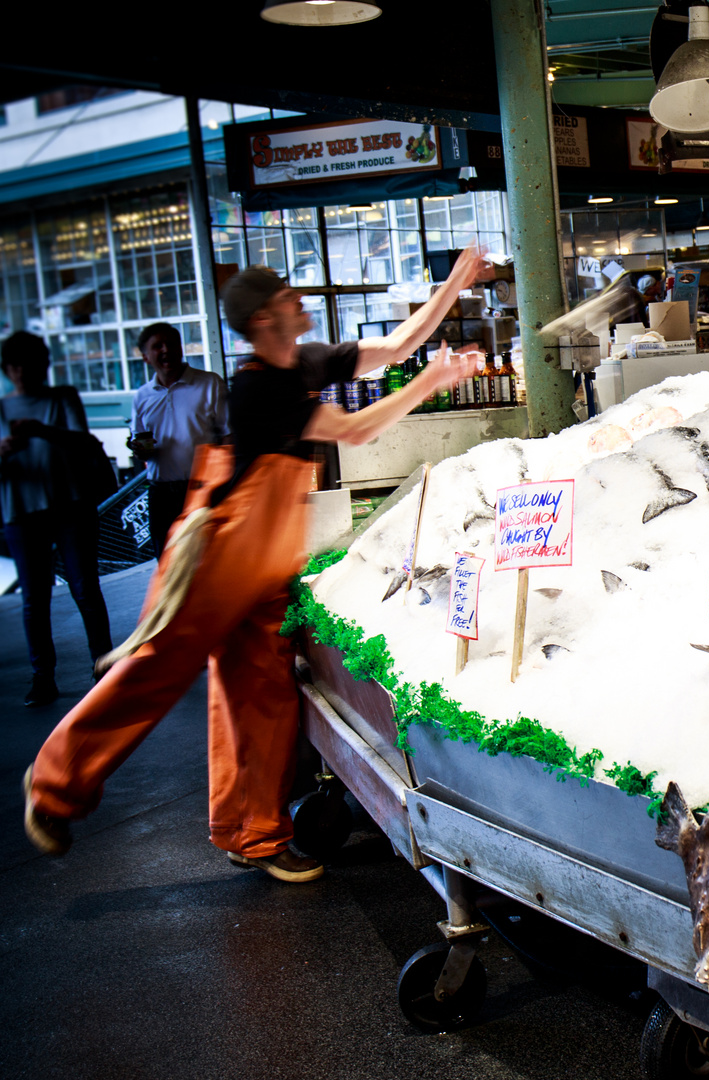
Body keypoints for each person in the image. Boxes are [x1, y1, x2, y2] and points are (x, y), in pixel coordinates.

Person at [22, 248, 490, 884]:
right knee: (153, 672)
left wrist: (456, 284)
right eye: (290, 297)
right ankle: (53, 787)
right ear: (267, 317)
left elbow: (396, 343)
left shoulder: (301, 361)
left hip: (268, 557)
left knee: (262, 697)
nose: (301, 303)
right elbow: (352, 430)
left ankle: (254, 833)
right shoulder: (258, 387)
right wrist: (433, 381)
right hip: (218, 553)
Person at [1, 332, 114, 706]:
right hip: (21, 511)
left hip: (70, 505)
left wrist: (39, 431)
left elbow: (82, 441)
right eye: (16, 364)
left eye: (30, 363)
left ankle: (104, 667)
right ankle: (42, 677)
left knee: (85, 587)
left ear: (43, 365)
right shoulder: (2, 408)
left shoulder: (62, 397)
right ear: (7, 369)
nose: (23, 371)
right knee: (35, 598)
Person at [129, 322, 229, 557]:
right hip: (161, 494)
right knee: (167, 565)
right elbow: (140, 443)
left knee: (208, 561)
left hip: (202, 490)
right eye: (157, 346)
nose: (166, 350)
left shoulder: (209, 383)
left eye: (171, 344)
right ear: (146, 357)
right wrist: (140, 450)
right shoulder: (141, 397)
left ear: (181, 348)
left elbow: (229, 437)